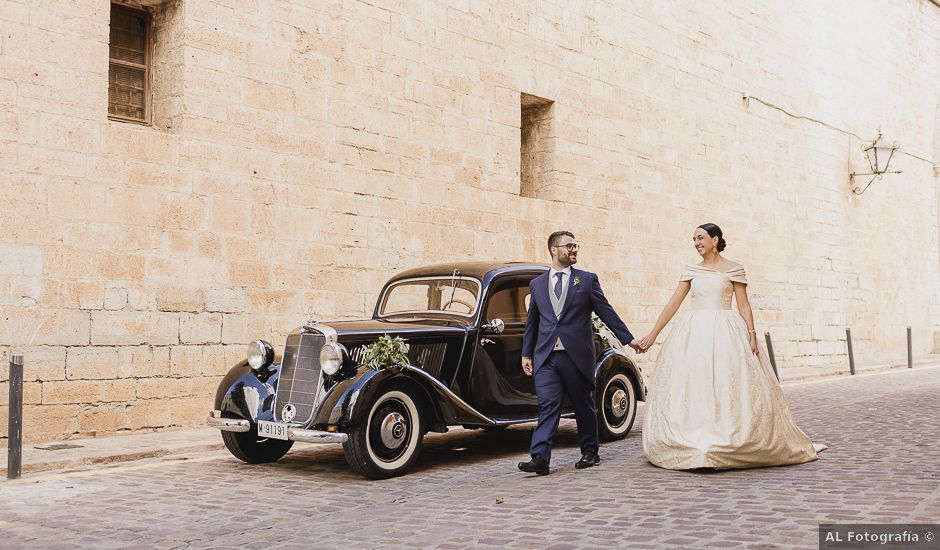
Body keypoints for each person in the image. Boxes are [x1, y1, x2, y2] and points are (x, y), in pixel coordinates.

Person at [637, 223, 824, 470]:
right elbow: (673, 303)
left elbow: (744, 305)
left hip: (727, 330)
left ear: (715, 240)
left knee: (728, 382)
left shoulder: (734, 269)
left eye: (700, 238)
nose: (696, 243)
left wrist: (752, 334)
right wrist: (652, 334)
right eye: (693, 239)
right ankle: (694, 437)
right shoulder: (691, 270)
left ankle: (729, 437)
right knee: (696, 382)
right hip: (694, 333)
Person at [518, 231, 643, 476]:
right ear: (554, 250)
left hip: (576, 355)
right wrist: (526, 354)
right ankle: (540, 458)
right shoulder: (537, 284)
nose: (574, 250)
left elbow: (607, 312)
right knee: (548, 406)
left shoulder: (586, 280)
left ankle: (590, 451)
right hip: (546, 358)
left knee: (584, 405)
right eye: (569, 246)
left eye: (576, 246)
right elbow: (532, 322)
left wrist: (630, 340)